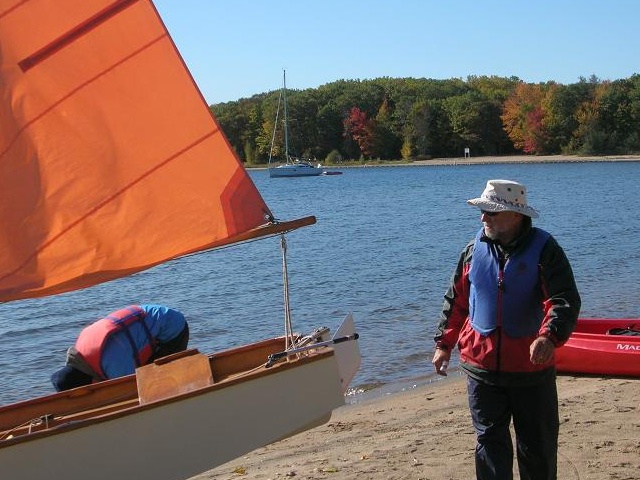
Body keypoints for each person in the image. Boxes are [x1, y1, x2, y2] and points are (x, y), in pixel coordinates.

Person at [432, 179, 581, 480]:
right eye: (483, 211)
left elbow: (563, 299)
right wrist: (444, 345)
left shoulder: (545, 251)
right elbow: (457, 301)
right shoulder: (473, 250)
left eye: (491, 211)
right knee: (489, 444)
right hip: (481, 369)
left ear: (515, 215)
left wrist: (548, 337)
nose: (483, 218)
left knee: (536, 448)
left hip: (530, 370)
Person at [51, 304, 189, 391]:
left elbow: (132, 389)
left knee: (155, 384)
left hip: (173, 329)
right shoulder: (81, 347)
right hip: (156, 313)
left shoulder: (113, 366)